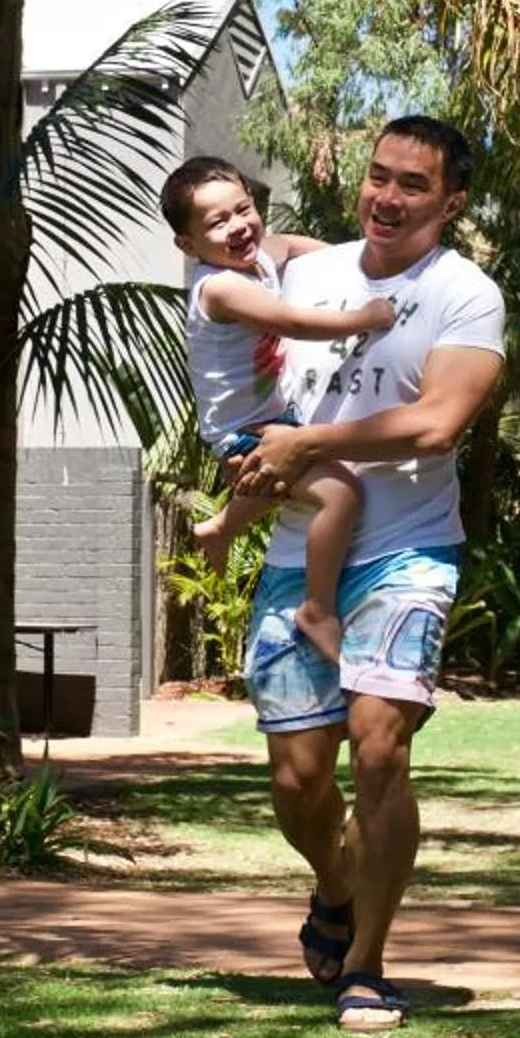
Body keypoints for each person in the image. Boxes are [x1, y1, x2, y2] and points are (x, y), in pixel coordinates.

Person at [228, 117, 505, 1034]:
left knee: (379, 745)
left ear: (452, 202)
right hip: (297, 550)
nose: (387, 196)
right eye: (378, 177)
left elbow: (435, 425)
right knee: (298, 782)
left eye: (413, 185)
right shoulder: (309, 275)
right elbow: (229, 259)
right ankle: (335, 883)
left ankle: (368, 966)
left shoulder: (467, 296)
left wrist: (309, 441)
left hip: (408, 551)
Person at [160, 156, 398, 660]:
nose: (239, 226)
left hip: (274, 420)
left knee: (277, 485)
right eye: (217, 223)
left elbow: (294, 247)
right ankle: (317, 608)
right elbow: (294, 322)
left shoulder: (261, 256)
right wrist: (366, 314)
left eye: (243, 209)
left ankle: (220, 527)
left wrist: (352, 264)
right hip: (242, 433)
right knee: (341, 496)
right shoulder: (220, 287)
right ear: (188, 245)